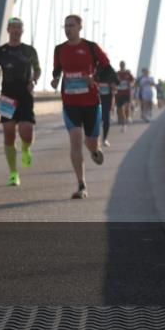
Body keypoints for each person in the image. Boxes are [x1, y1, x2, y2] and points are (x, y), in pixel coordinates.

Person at [51, 14, 110, 199]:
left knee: (90, 142)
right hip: (70, 102)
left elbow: (106, 66)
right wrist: (55, 79)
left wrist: (94, 78)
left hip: (91, 102)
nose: (68, 28)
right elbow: (57, 69)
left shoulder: (91, 47)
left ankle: (94, 149)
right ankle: (81, 184)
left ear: (79, 28)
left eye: (71, 25)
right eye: (65, 25)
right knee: (75, 138)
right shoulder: (59, 49)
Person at [0, 17, 41, 186]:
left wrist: (34, 80)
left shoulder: (29, 50)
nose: (16, 31)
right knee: (9, 133)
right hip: (7, 97)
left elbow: (38, 69)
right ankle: (13, 173)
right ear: (8, 30)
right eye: (13, 27)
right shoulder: (0, 51)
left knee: (26, 133)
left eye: (19, 28)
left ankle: (26, 148)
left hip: (25, 96)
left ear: (22, 31)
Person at [115, 61, 135, 131]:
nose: (122, 66)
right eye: (121, 64)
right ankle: (123, 120)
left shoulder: (127, 73)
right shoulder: (117, 74)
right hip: (119, 93)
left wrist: (131, 84)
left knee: (126, 107)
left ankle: (126, 119)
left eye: (123, 64)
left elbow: (133, 80)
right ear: (119, 65)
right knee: (120, 109)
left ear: (124, 65)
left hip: (127, 93)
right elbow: (113, 82)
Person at [98, 76, 116, 147]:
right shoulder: (96, 76)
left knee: (106, 120)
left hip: (107, 102)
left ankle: (104, 139)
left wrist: (112, 104)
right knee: (97, 120)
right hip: (96, 101)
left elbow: (113, 92)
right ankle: (96, 138)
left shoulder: (110, 77)